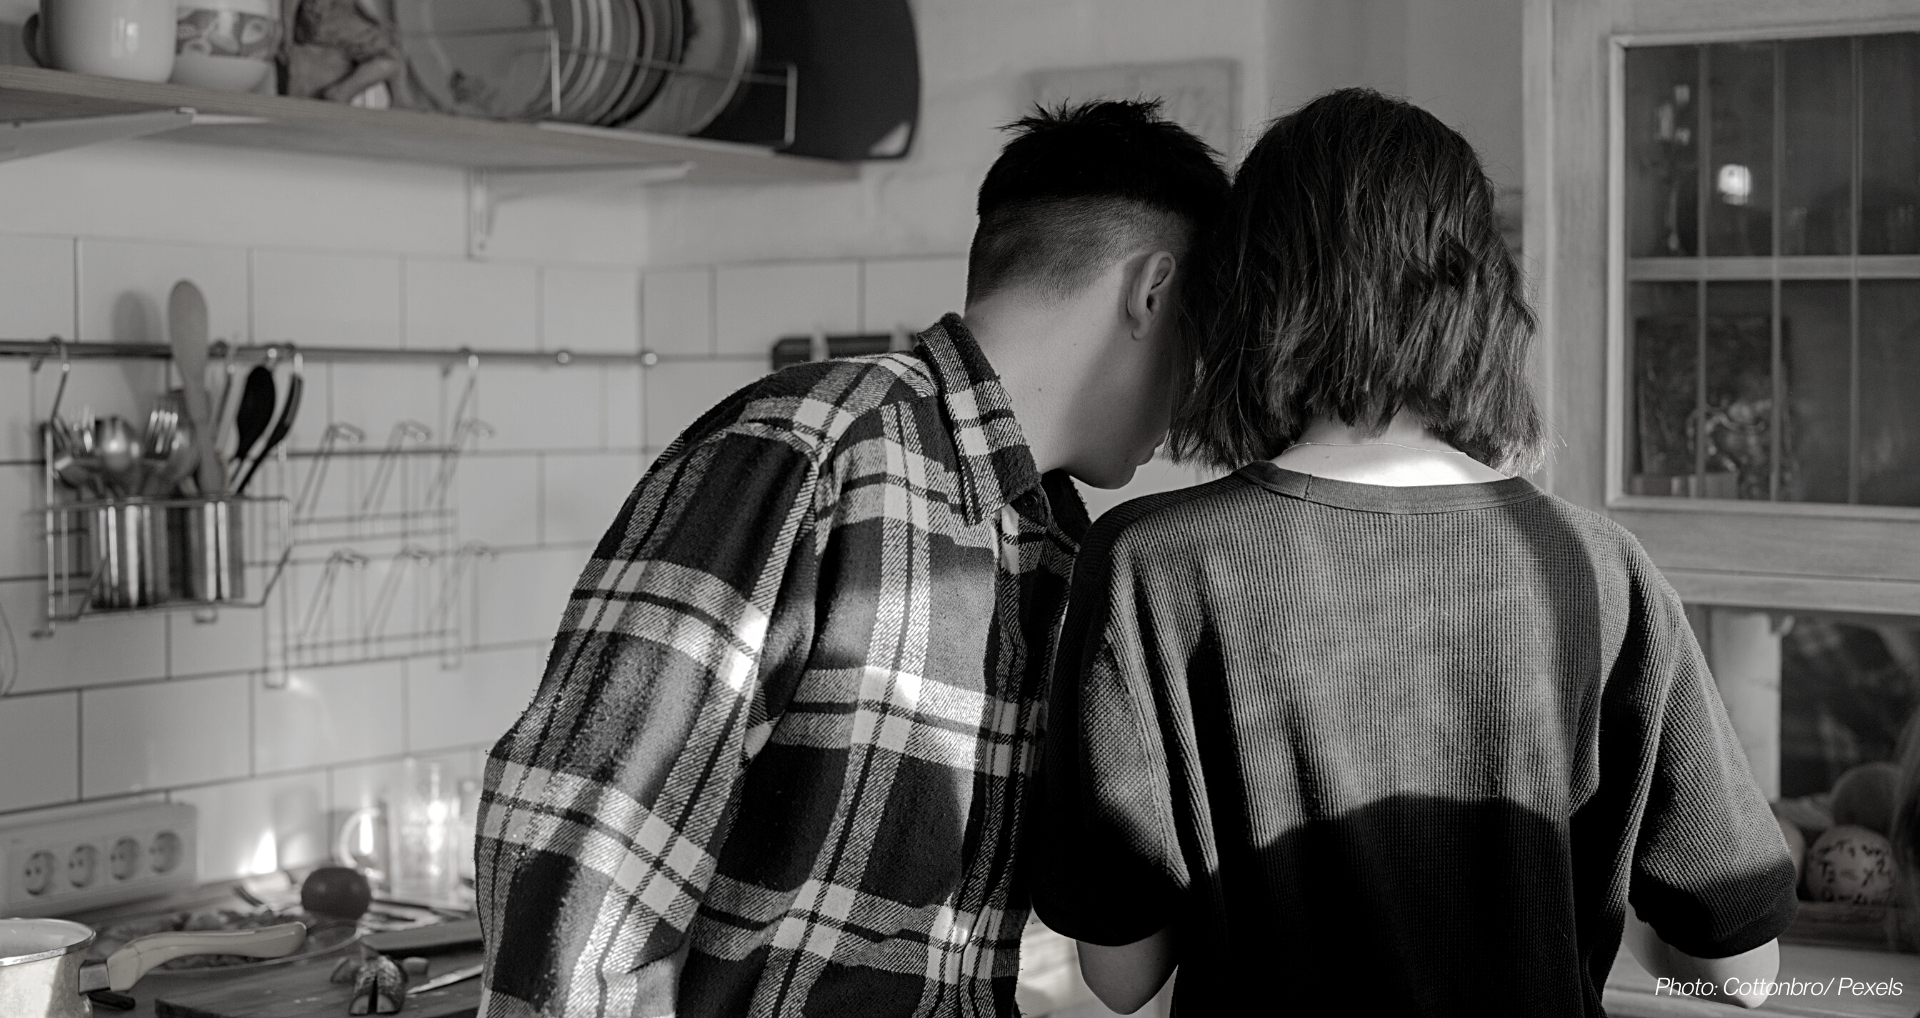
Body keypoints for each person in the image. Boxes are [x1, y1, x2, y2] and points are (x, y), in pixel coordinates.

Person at [1028, 88, 1798, 1016]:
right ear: (1480, 299)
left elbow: (1120, 979)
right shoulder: (1598, 568)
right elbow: (1744, 975)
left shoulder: (1150, 566)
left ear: (1247, 293)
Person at [472, 99, 1229, 1018]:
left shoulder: (1049, 538)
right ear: (1154, 291)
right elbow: (585, 828)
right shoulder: (813, 446)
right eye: (1207, 332)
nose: (1199, 393)